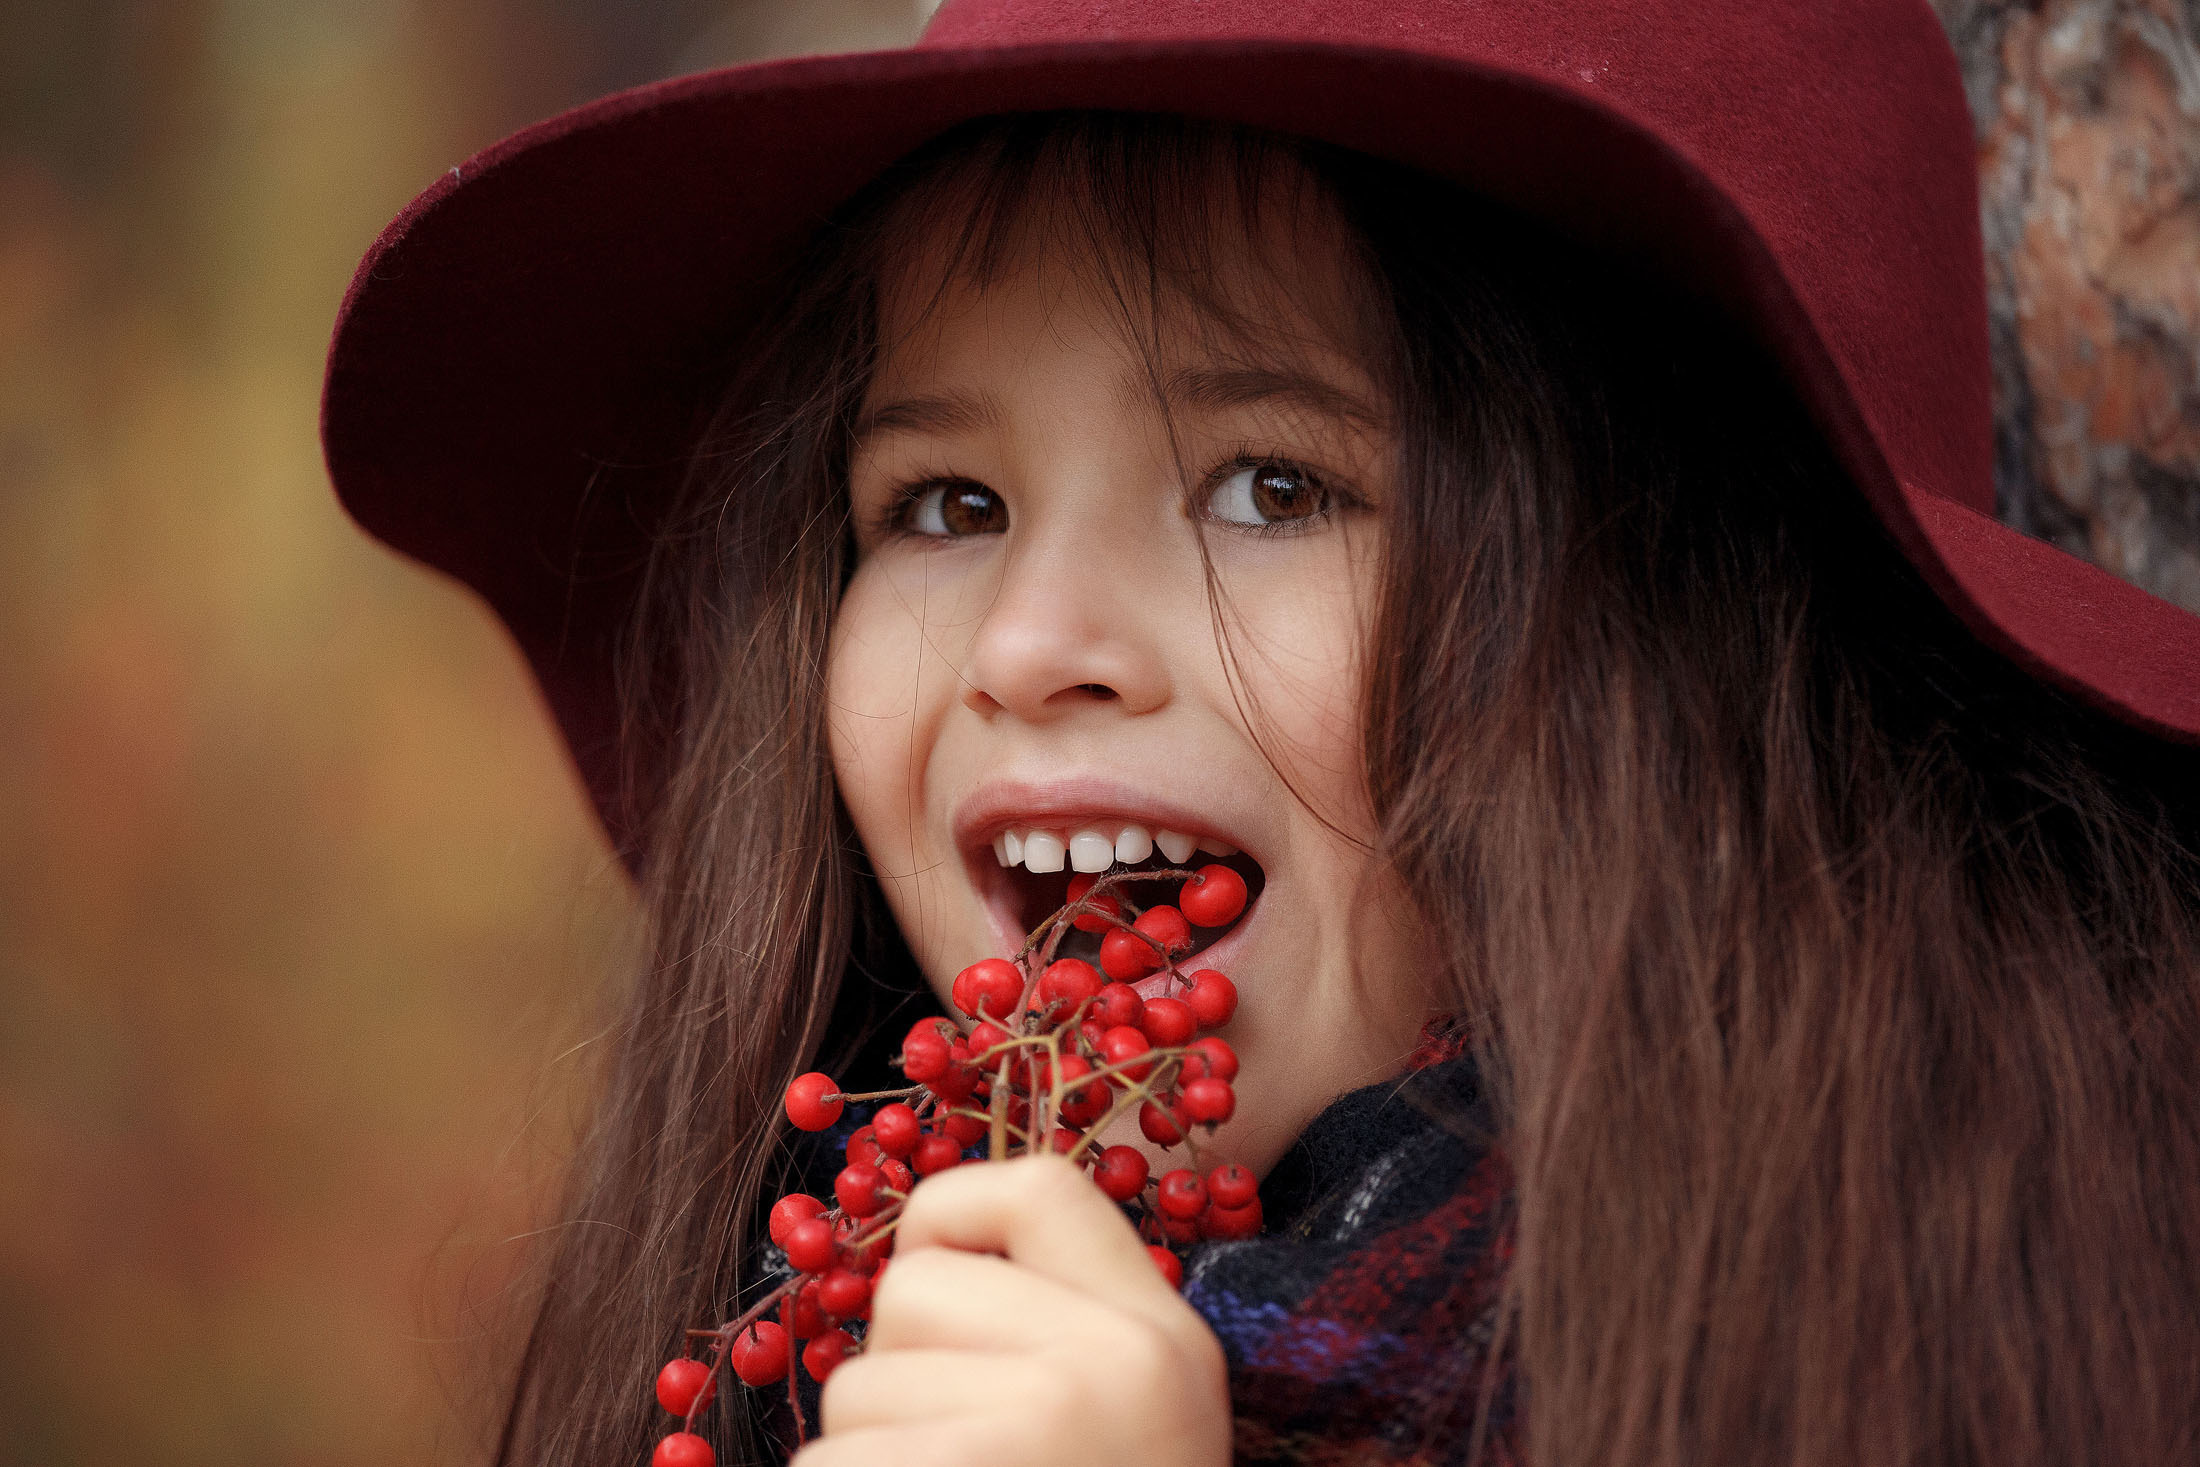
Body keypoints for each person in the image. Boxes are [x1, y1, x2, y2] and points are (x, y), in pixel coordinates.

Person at [319, 3, 2200, 1465]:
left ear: (1688, 638)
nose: (1036, 644)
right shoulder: (789, 1348)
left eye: (1274, 484)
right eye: (945, 505)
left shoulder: (2017, 1369)